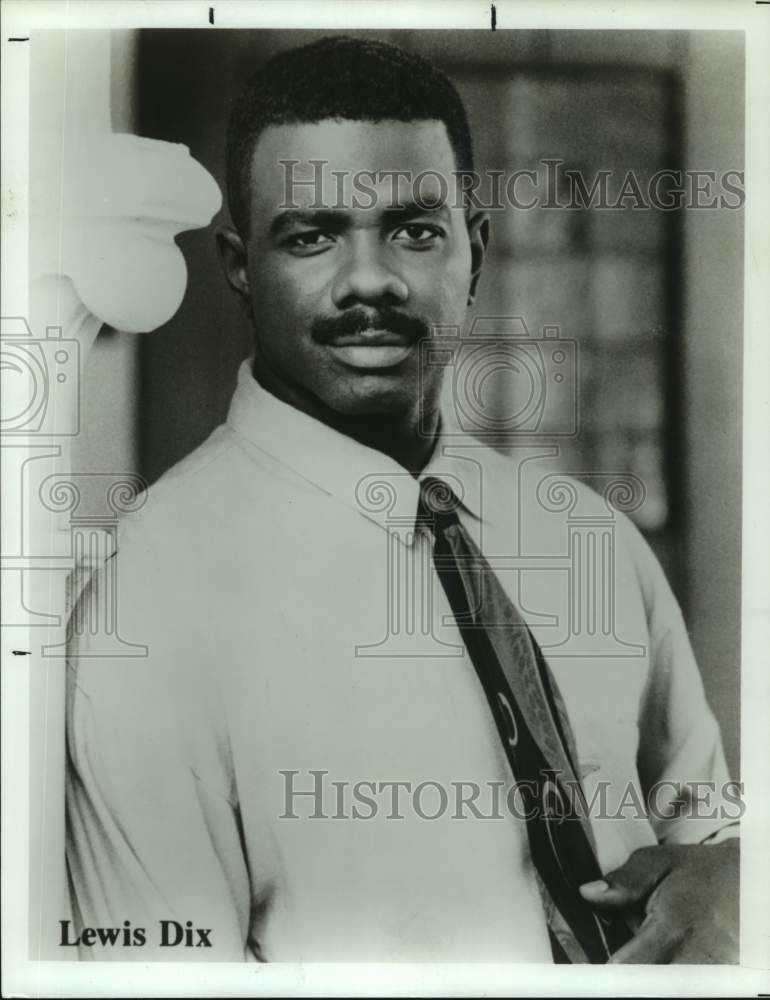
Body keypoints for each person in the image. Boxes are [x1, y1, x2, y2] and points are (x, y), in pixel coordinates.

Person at [65, 35, 738, 963]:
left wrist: (735, 877)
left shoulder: (591, 538)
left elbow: (708, 826)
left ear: (475, 252)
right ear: (239, 265)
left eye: (416, 231)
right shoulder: (148, 599)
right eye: (311, 236)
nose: (371, 280)